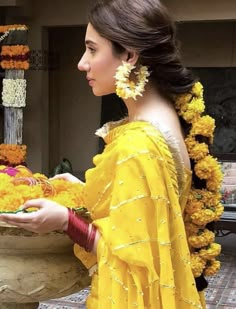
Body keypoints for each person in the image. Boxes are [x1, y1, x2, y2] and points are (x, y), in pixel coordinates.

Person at [0, 0, 223, 308]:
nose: (82, 63)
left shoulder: (140, 144)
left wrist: (66, 221)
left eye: (92, 49)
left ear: (130, 55)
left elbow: (133, 264)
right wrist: (83, 190)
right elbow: (147, 217)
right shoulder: (165, 117)